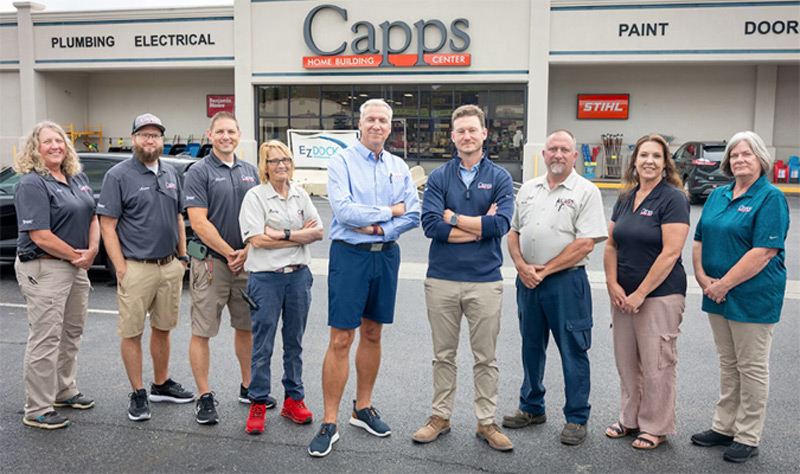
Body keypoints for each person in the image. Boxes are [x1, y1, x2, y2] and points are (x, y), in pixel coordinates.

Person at [308, 98, 420, 457]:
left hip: (385, 256)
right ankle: (329, 421)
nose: (376, 125)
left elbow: (413, 213)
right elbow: (344, 212)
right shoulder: (341, 161)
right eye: (370, 119)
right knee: (341, 338)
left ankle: (362, 408)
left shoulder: (398, 166)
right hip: (350, 257)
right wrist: (388, 212)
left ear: (390, 126)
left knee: (373, 332)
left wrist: (377, 227)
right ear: (360, 124)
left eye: (383, 120)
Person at [413, 104, 515, 451]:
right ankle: (440, 416)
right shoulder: (438, 177)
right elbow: (431, 226)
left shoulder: (500, 178)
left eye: (473, 130)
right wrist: (477, 229)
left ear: (484, 133)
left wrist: (454, 218)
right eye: (461, 131)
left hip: (485, 281)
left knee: (485, 357)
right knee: (443, 355)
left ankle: (486, 421)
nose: (467, 136)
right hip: (441, 279)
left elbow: (500, 225)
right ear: (452, 136)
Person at [502, 129, 607, 445]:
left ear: (574, 156)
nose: (558, 154)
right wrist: (521, 266)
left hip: (566, 282)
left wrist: (545, 271)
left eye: (565, 149)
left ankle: (576, 417)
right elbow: (514, 231)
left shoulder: (586, 191)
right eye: (553, 149)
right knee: (531, 347)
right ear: (544, 154)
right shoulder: (529, 189)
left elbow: (586, 243)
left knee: (573, 349)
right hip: (528, 281)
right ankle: (531, 406)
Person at [690, 131, 790, 463]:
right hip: (715, 293)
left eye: (747, 154)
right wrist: (702, 278)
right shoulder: (719, 195)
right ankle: (724, 426)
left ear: (760, 159)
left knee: (751, 367)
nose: (740, 160)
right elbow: (699, 239)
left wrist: (723, 285)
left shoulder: (770, 198)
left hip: (752, 295)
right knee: (728, 363)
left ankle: (747, 436)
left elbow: (764, 252)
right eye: (734, 155)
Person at [98, 113, 195, 422]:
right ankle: (138, 392)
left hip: (169, 265)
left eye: (155, 135)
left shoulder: (170, 172)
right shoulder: (118, 176)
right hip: (135, 267)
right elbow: (107, 226)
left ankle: (161, 384)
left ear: (162, 140)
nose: (150, 140)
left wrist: (182, 258)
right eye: (144, 134)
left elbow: (178, 217)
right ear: (133, 139)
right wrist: (121, 268)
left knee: (163, 328)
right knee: (132, 332)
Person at [603, 134, 690, 450]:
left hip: (659, 295)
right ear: (635, 161)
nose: (649, 161)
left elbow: (671, 252)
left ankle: (655, 426)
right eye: (643, 155)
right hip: (622, 295)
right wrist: (612, 284)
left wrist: (640, 293)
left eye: (656, 156)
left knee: (657, 364)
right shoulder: (627, 197)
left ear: (666, 164)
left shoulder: (673, 198)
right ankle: (630, 419)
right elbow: (611, 244)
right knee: (626, 361)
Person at [13, 121, 99, 429]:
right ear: (35, 149)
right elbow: (40, 235)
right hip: (45, 267)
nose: (55, 146)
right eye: (47, 141)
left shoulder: (77, 177)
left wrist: (92, 250)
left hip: (75, 266)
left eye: (59, 140)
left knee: (71, 332)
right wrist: (79, 256)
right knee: (46, 337)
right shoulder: (32, 183)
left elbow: (92, 216)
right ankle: (37, 408)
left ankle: (64, 390)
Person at [239, 140, 323, 435]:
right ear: (265, 166)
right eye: (274, 161)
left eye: (286, 159)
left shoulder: (300, 195)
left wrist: (282, 234)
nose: (282, 165)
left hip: (299, 277)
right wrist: (299, 235)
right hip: (266, 279)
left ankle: (293, 399)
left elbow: (318, 232)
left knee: (294, 343)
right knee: (263, 346)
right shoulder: (255, 197)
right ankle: (258, 402)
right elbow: (257, 240)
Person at [183, 112, 259, 425]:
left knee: (246, 327)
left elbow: (261, 216)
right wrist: (230, 253)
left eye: (231, 131)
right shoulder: (198, 172)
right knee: (202, 331)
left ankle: (249, 386)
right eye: (220, 132)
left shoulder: (250, 171)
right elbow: (199, 222)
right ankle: (204, 396)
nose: (226, 136)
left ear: (239, 135)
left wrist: (248, 250)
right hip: (212, 263)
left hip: (246, 262)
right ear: (209, 135)